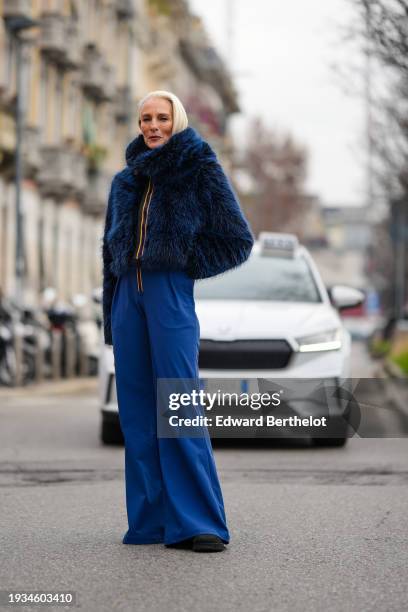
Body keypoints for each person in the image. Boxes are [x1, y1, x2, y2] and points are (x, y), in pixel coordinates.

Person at [102, 90, 254, 553]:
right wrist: (111, 314)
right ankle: (151, 522)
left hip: (170, 295)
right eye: (146, 118)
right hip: (129, 296)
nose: (152, 126)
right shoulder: (124, 181)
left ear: (178, 121)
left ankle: (199, 522)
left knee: (178, 403)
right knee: (137, 413)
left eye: (162, 118)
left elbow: (237, 240)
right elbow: (109, 255)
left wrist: (184, 263)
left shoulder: (199, 168)